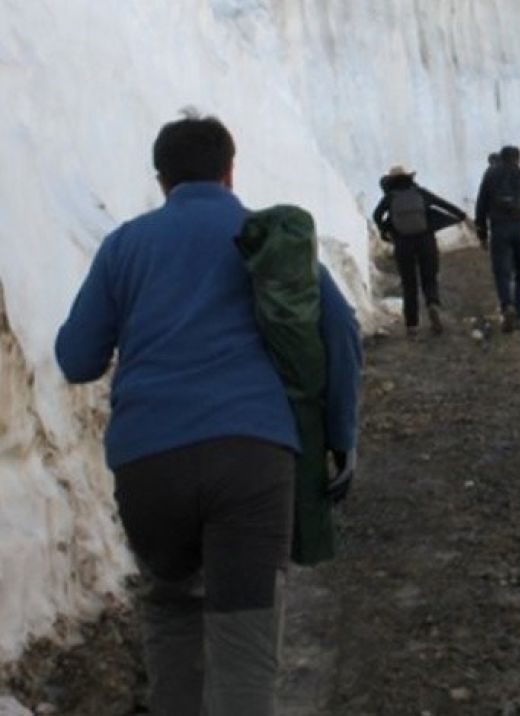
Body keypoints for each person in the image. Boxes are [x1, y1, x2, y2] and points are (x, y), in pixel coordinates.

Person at [55, 115, 361, 715]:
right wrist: (341, 437)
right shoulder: (265, 238)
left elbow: (76, 358)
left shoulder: (125, 245)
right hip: (251, 458)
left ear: (162, 180)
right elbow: (340, 332)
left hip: (149, 465)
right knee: (243, 651)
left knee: (173, 615)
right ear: (230, 170)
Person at [372, 165, 469, 336]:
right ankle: (432, 304)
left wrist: (386, 229)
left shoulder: (390, 197)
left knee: (409, 283)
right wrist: (462, 215)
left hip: (403, 244)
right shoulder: (420, 193)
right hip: (426, 240)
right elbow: (442, 204)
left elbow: (376, 215)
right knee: (429, 277)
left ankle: (412, 324)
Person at [474, 145, 520, 332]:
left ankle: (507, 305)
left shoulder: (490, 177)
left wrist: (482, 234)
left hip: (499, 230)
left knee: (502, 273)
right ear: (519, 159)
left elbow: (480, 206)